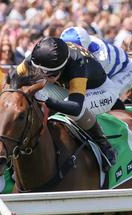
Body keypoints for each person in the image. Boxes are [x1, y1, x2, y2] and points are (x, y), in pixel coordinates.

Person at [16, 37, 116, 166]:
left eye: (50, 75)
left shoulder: (77, 65)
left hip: (99, 90)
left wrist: (46, 100)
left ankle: (103, 144)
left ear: (62, 68)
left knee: (73, 112)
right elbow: (15, 78)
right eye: (40, 72)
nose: (44, 77)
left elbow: (75, 107)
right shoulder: (37, 57)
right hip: (67, 86)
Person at [60, 26, 132, 100]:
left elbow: (86, 84)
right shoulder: (84, 41)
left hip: (126, 71)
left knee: (103, 98)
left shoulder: (100, 57)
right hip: (110, 69)